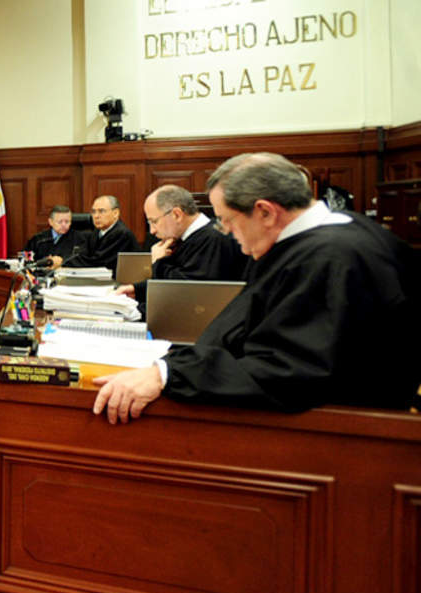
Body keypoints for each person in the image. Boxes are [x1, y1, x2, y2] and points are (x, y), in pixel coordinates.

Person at [93, 152, 420, 424]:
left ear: (265, 212)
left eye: (227, 220)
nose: (226, 232)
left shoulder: (332, 258)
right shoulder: (308, 241)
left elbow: (291, 369)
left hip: (336, 433)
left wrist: (167, 374)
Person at [115, 185, 247, 303]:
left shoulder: (213, 239)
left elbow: (187, 291)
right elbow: (179, 277)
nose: (152, 231)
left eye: (154, 221)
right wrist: (138, 290)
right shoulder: (186, 238)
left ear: (176, 215)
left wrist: (158, 262)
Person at [62, 195, 140, 270]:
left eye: (101, 211)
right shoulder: (97, 232)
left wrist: (63, 262)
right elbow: (84, 253)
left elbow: (98, 262)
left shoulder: (122, 234)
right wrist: (64, 260)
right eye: (93, 211)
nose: (96, 216)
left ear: (115, 213)